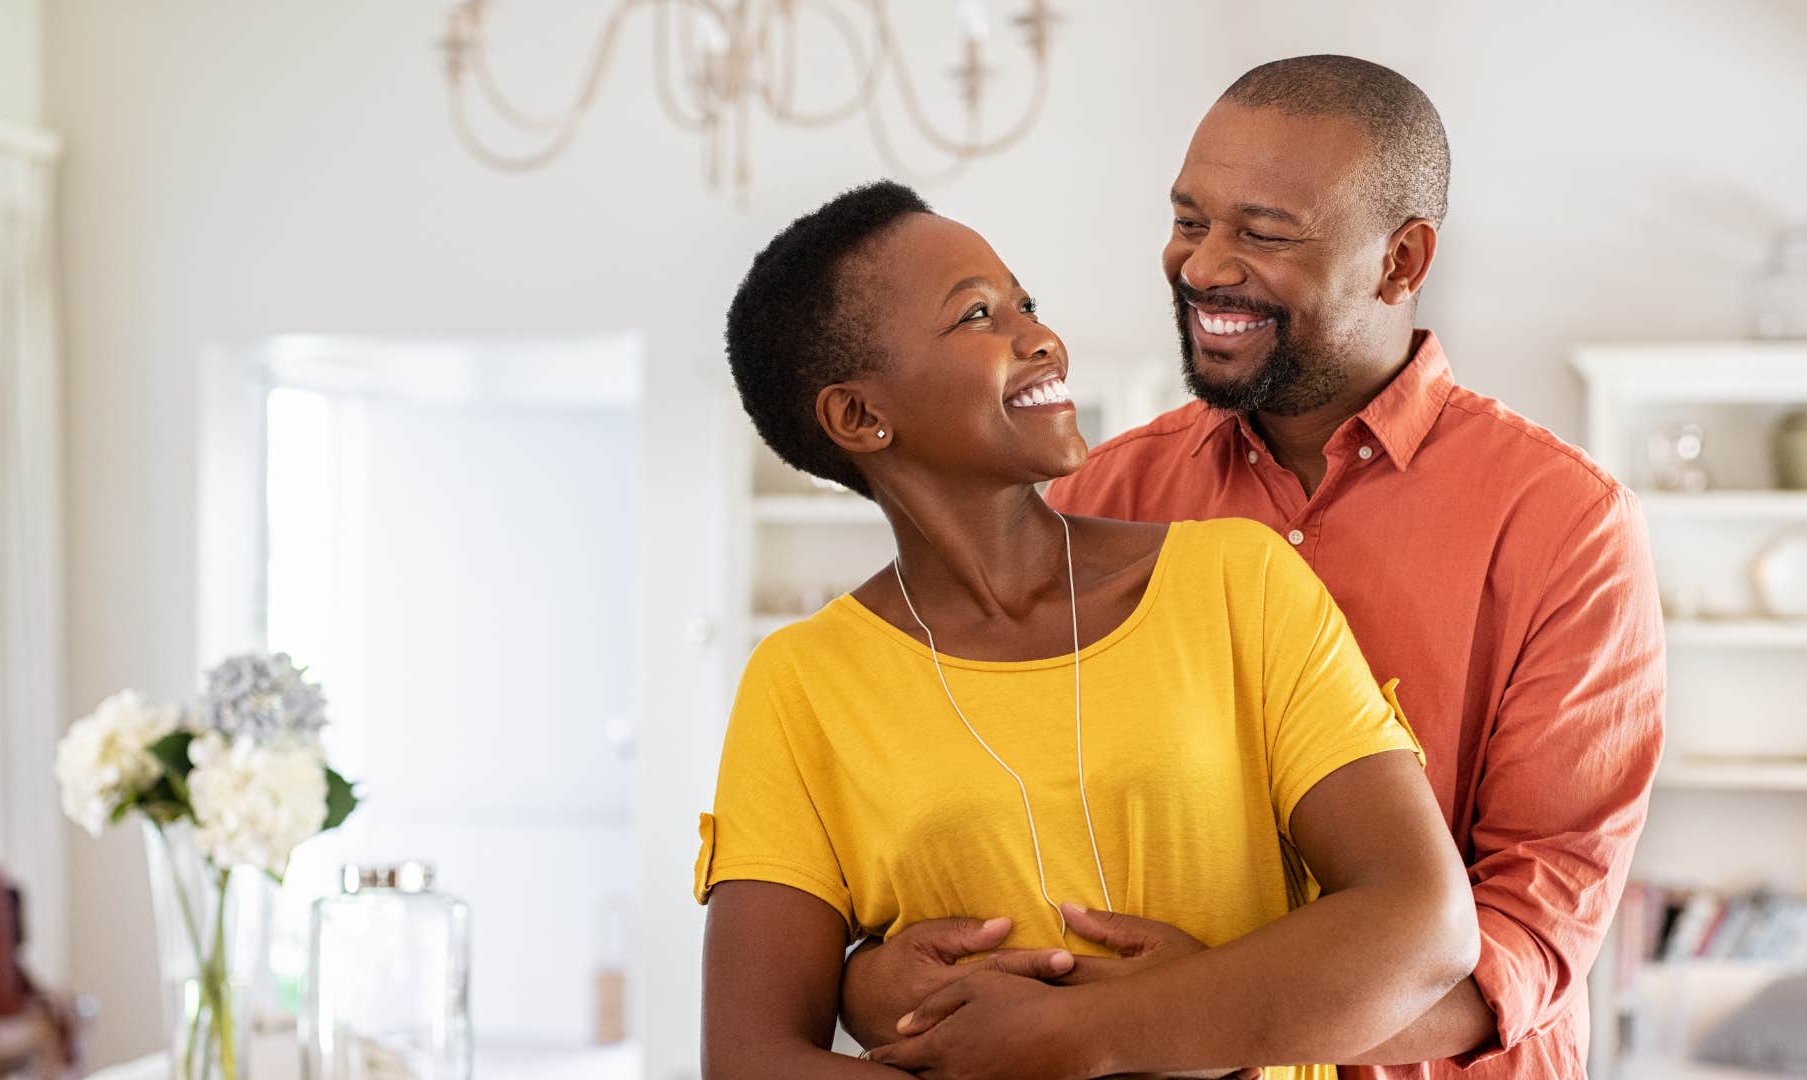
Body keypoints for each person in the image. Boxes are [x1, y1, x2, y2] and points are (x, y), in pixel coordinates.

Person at [841, 55, 1666, 1080]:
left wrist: (1196, 1018)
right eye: (1190, 222)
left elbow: (1532, 929)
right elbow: (973, 814)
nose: (1202, 266)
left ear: (1401, 260)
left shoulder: (1564, 523)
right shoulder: (1100, 495)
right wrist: (871, 972)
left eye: (1262, 234)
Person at [696, 179, 1480, 1080]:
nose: (1039, 337)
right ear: (860, 417)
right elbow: (750, 1058)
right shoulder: (803, 682)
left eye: (1025, 303)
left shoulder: (1238, 581)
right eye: (977, 316)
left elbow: (1424, 922)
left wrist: (1092, 1035)